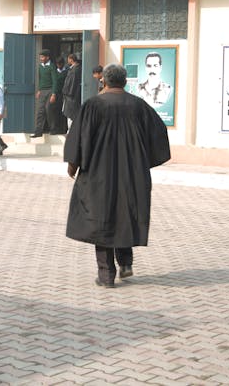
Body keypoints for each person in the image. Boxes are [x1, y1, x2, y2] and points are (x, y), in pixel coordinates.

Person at [64, 63, 170, 288]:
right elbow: (158, 135)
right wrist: (143, 163)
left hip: (98, 173)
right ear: (124, 82)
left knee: (100, 220)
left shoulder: (93, 105)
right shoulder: (138, 105)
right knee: (124, 215)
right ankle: (126, 263)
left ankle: (106, 275)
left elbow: (78, 137)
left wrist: (73, 165)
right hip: (131, 173)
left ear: (104, 80)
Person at [31, 50, 60, 138]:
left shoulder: (52, 66)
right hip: (42, 91)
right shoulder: (40, 66)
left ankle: (53, 129)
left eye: (42, 57)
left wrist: (54, 94)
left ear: (47, 57)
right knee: (40, 111)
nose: (41, 58)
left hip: (50, 90)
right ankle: (38, 131)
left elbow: (55, 81)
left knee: (48, 109)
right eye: (40, 57)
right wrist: (39, 90)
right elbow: (40, 79)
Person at [50, 57, 69, 135]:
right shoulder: (55, 72)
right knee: (55, 111)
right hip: (56, 93)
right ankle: (55, 128)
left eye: (60, 64)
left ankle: (63, 128)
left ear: (63, 63)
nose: (59, 66)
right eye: (57, 64)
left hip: (64, 94)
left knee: (64, 111)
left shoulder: (67, 72)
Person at [62, 53, 82, 121]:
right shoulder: (74, 69)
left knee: (71, 114)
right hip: (71, 94)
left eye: (68, 59)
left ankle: (70, 130)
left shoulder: (75, 70)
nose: (67, 60)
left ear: (71, 60)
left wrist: (68, 93)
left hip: (71, 95)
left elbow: (72, 83)